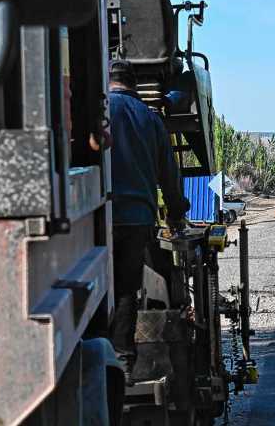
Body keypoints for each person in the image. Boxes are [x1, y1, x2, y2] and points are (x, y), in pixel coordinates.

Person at [106, 59, 189, 379]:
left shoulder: (98, 112)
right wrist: (177, 213)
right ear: (134, 84)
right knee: (127, 287)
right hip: (138, 218)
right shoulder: (150, 119)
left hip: (99, 215)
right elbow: (169, 174)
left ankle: (97, 351)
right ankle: (123, 359)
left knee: (100, 288)